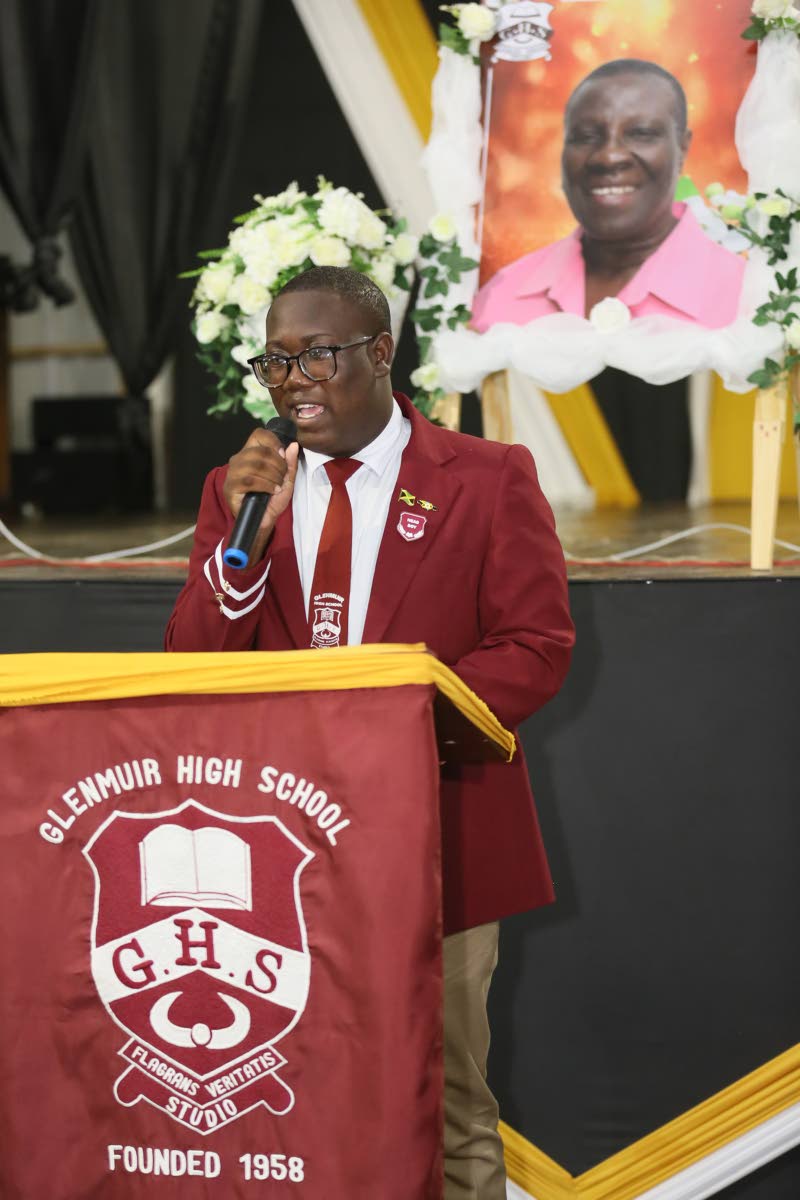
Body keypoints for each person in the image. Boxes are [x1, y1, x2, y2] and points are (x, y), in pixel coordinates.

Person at [166, 266, 574, 1199]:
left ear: (382, 352)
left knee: (449, 1094)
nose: (294, 380)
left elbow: (536, 645)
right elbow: (194, 655)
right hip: (278, 844)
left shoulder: (485, 477)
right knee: (296, 1088)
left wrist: (393, 733)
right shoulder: (241, 489)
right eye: (277, 361)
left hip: (439, 834)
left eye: (317, 355)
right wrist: (241, 550)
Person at [471, 58, 746, 330]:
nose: (608, 156)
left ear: (683, 149)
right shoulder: (501, 298)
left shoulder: (748, 299)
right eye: (586, 136)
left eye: (641, 133)